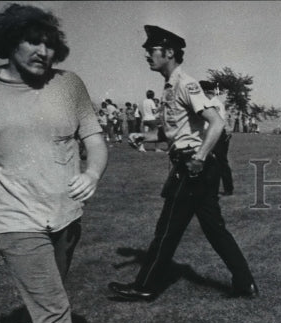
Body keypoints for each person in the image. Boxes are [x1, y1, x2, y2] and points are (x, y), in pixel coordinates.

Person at [0, 2, 113, 323]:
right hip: (14, 219)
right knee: (54, 308)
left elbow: (97, 141)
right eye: (34, 40)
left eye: (51, 44)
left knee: (48, 300)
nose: (44, 52)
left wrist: (91, 172)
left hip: (67, 215)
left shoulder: (69, 86)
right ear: (9, 40)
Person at [108, 26, 257, 302]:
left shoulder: (185, 84)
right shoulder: (169, 89)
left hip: (193, 167)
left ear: (169, 52)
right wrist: (146, 136)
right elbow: (173, 132)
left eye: (151, 50)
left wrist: (199, 158)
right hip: (192, 164)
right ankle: (245, 283)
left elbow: (217, 122)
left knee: (167, 229)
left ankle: (146, 286)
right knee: (214, 229)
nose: (146, 54)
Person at [199, 80, 233, 196]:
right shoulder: (214, 102)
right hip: (217, 133)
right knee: (214, 161)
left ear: (205, 91)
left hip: (217, 134)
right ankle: (215, 187)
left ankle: (228, 188)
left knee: (220, 161)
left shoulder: (213, 104)